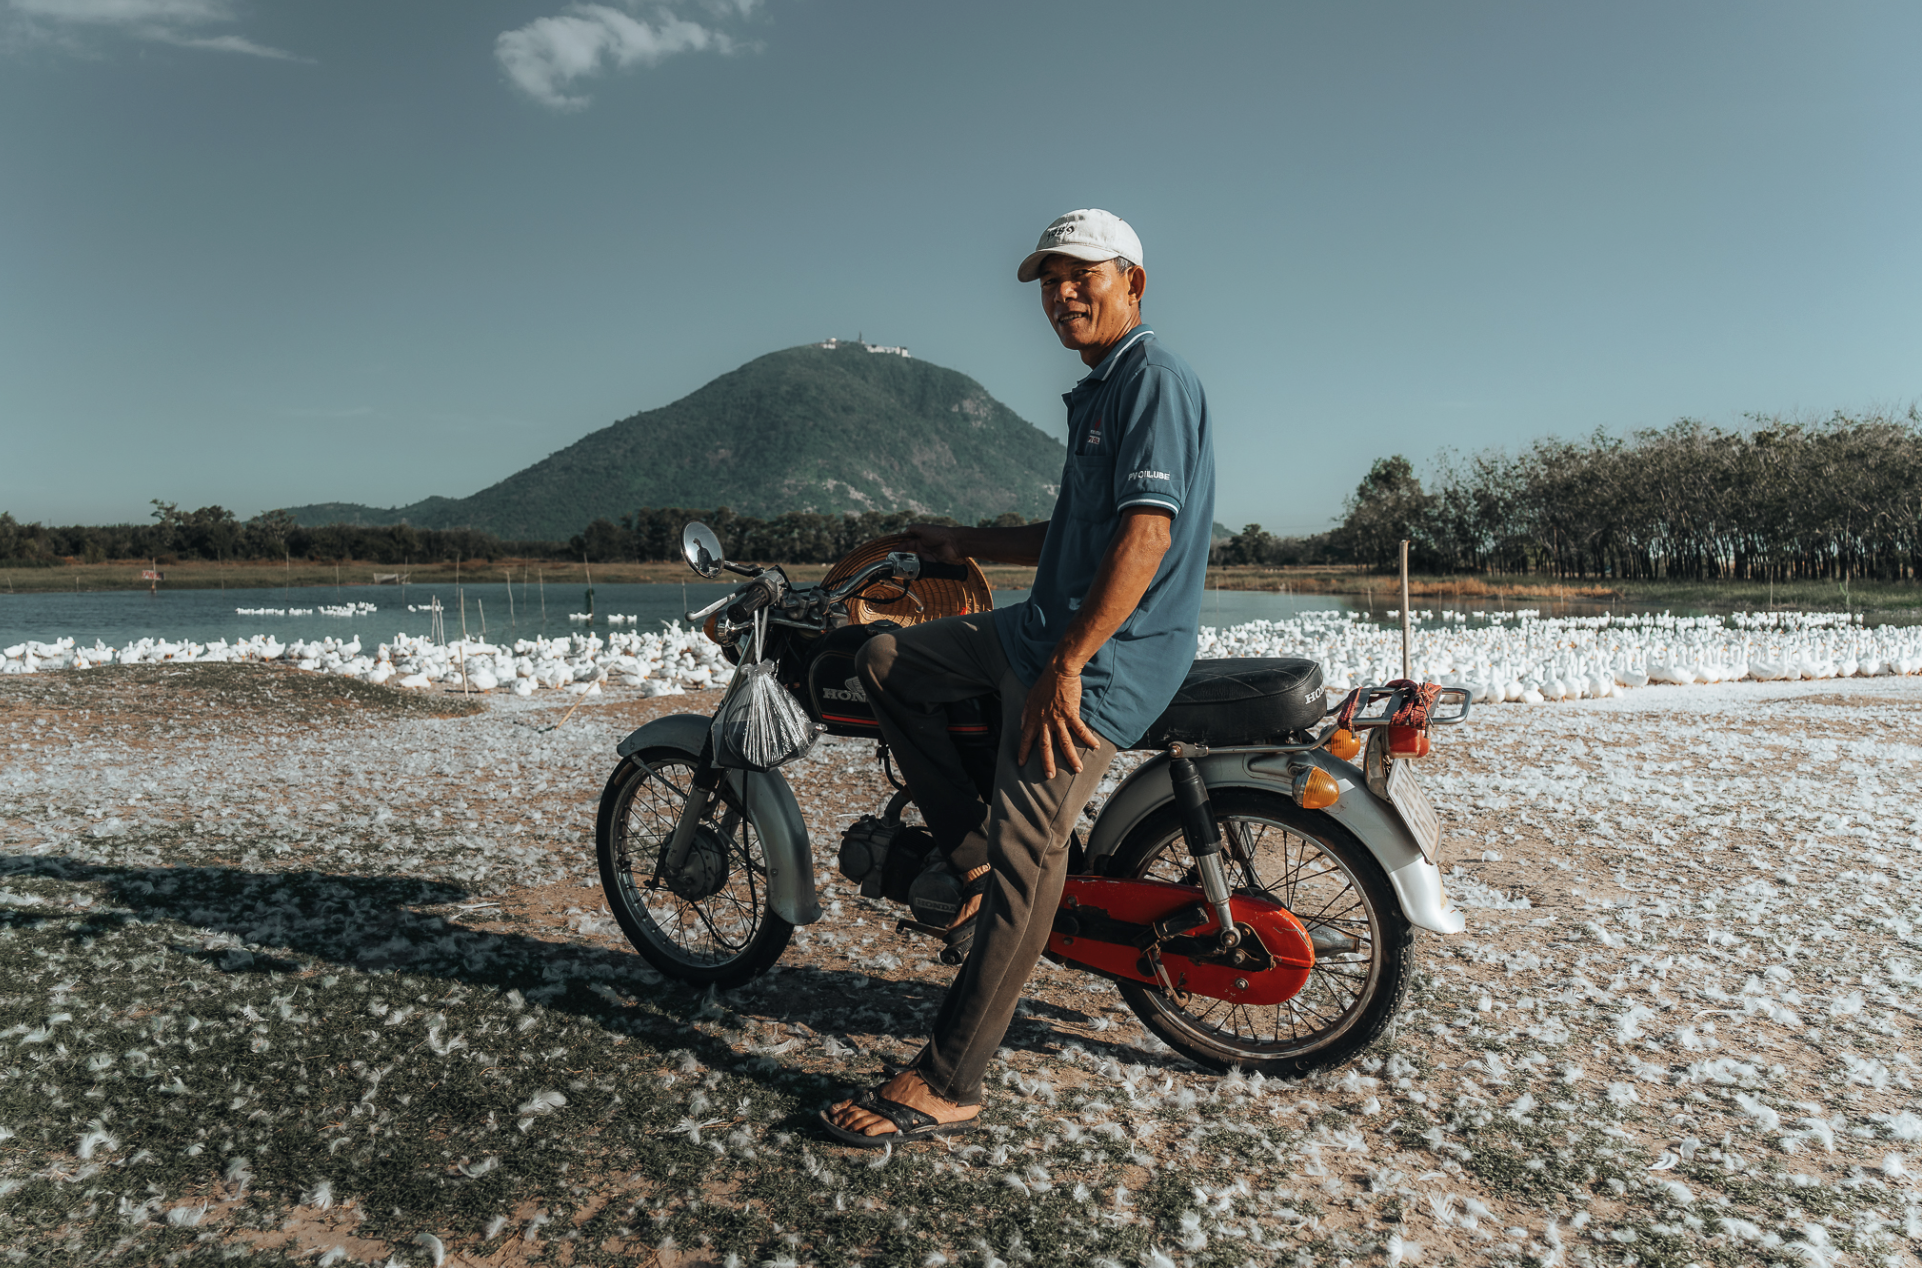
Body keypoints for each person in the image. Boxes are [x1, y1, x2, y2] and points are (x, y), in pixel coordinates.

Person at [820, 209, 1217, 1145]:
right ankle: (968, 854)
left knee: (1029, 858)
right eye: (1050, 280)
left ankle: (950, 1078)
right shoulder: (1101, 389)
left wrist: (1069, 666)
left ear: (1133, 283)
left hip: (1109, 655)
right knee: (882, 660)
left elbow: (1145, 537)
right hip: (1038, 630)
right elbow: (1069, 535)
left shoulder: (1153, 381)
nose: (1063, 293)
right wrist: (963, 541)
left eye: (1083, 274)